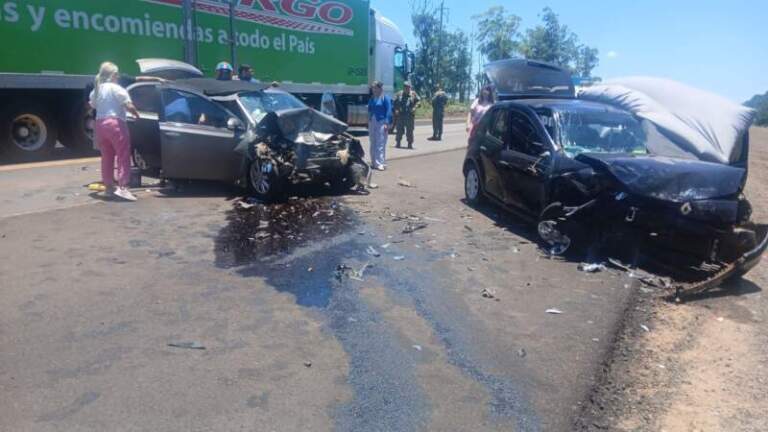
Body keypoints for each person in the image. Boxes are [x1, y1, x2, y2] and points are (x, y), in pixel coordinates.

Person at [89, 62, 140, 201]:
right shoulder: (117, 89)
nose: (118, 76)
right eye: (117, 74)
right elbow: (128, 105)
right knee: (123, 156)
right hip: (116, 124)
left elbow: (92, 105)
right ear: (113, 75)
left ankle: (109, 188)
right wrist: (136, 114)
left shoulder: (96, 90)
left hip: (100, 125)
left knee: (106, 157)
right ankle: (123, 188)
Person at [367, 81, 392, 172]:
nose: (374, 90)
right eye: (373, 88)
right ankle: (373, 163)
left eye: (375, 88)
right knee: (372, 142)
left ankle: (380, 163)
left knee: (380, 143)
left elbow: (389, 111)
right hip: (372, 122)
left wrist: (386, 122)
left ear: (380, 88)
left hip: (381, 122)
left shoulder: (385, 98)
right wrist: (369, 120)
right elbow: (369, 109)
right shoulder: (372, 98)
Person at [393, 81, 420, 149]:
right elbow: (393, 102)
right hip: (401, 115)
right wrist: (396, 109)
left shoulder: (413, 94)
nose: (406, 88)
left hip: (409, 115)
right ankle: (398, 143)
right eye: (405, 87)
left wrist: (414, 108)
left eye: (408, 87)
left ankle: (409, 144)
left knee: (410, 130)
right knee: (399, 130)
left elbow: (419, 102)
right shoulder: (399, 94)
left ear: (410, 87)